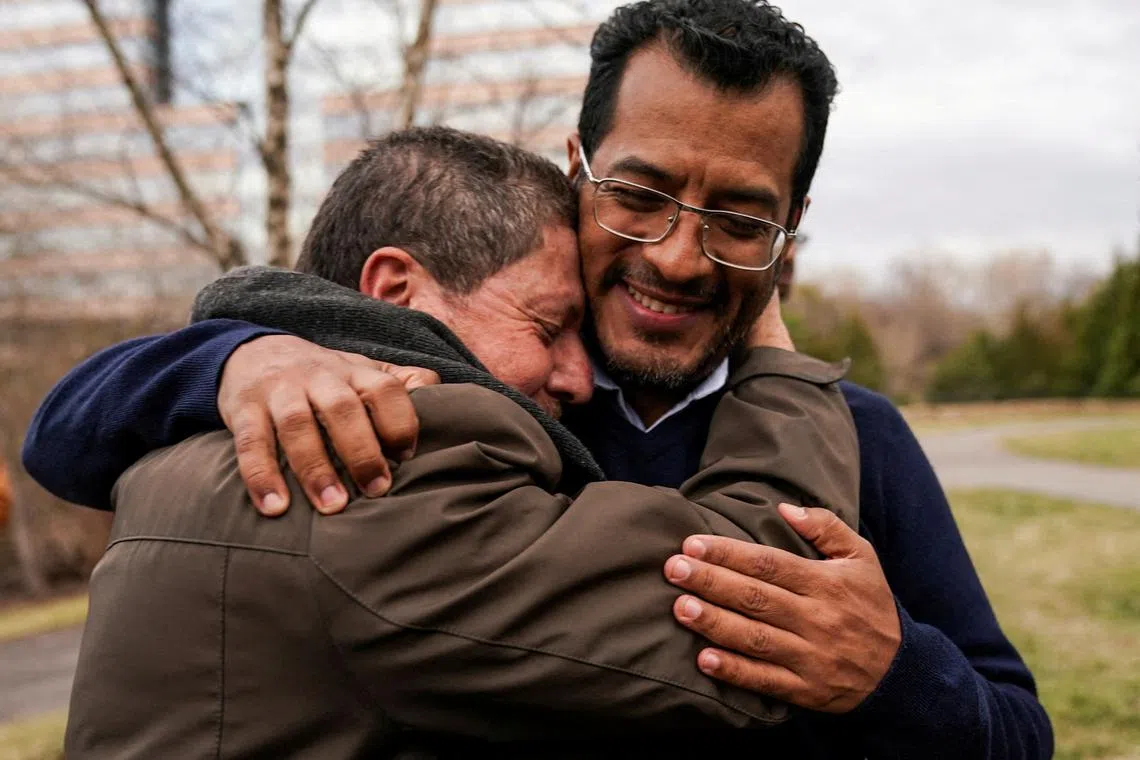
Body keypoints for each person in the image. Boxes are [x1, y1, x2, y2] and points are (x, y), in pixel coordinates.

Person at [25, 1, 1053, 757]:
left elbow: (1015, 730)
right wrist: (238, 354)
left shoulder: (853, 433)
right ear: (580, 171)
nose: (682, 257)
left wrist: (894, 677)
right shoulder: (412, 411)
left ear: (790, 226)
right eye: (642, 194)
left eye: (739, 219)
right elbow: (65, 439)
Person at [63, 126, 860, 758]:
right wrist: (765, 334)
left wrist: (229, 356)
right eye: (550, 326)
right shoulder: (379, 472)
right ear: (395, 291)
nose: (579, 379)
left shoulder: (192, 430)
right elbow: (769, 604)